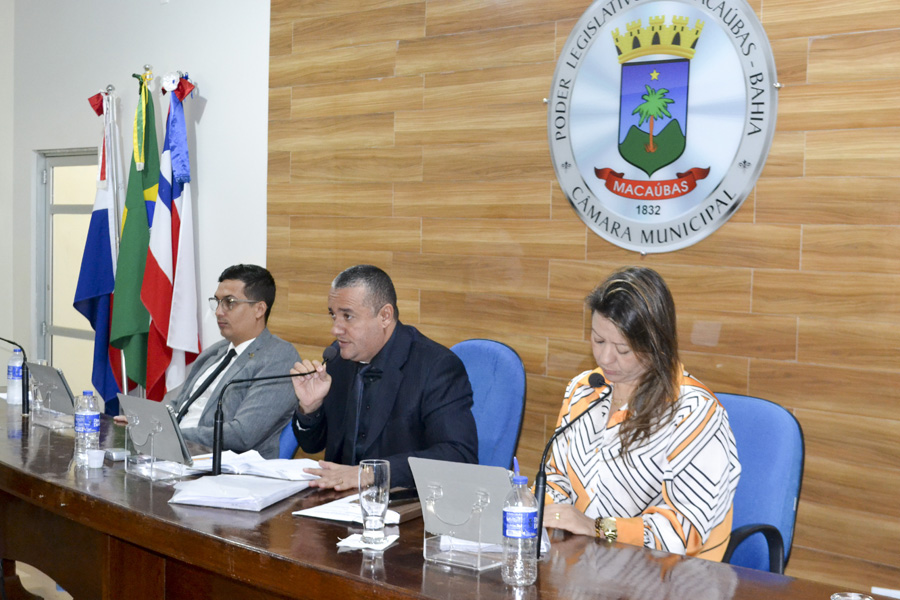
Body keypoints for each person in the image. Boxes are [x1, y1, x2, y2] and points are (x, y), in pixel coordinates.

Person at [543, 266, 741, 560]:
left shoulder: (694, 413)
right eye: (598, 340)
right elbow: (556, 478)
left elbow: (681, 534)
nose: (605, 358)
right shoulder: (584, 390)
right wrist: (541, 508)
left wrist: (598, 528)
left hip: (666, 574)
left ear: (656, 345)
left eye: (622, 349)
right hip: (586, 564)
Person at [290, 264, 478, 490]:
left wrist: (371, 473)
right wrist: (310, 409)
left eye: (348, 316)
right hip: (338, 498)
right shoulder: (338, 359)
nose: (336, 329)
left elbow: (459, 456)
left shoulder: (435, 366)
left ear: (385, 316)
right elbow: (312, 445)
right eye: (333, 315)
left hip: (402, 500)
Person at [116, 264, 300, 459]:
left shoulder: (278, 357)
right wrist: (145, 422)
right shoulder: (216, 352)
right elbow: (178, 405)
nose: (219, 312)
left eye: (229, 302)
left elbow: (243, 434)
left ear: (259, 309)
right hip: (174, 453)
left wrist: (171, 434)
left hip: (221, 464)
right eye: (217, 302)